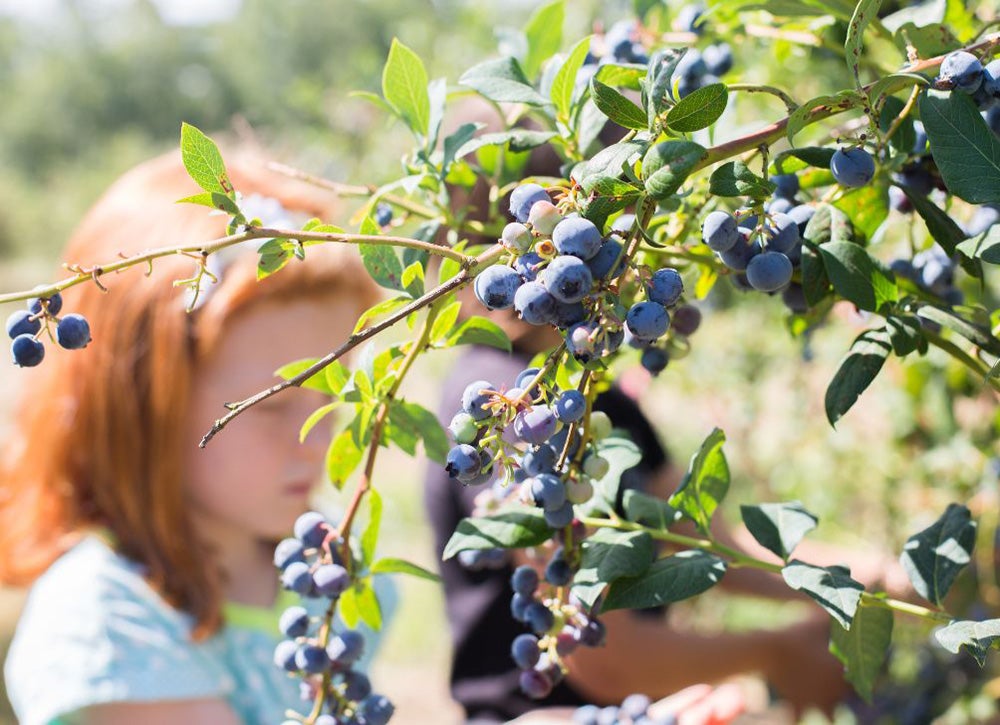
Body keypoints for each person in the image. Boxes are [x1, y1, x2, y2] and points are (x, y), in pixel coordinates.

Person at [0, 150, 387, 724]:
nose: (319, 438)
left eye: (335, 396)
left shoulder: (311, 563)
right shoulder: (108, 623)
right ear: (142, 400)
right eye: (273, 405)